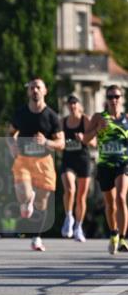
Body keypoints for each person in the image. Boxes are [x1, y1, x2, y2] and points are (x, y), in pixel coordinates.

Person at [7, 78, 64, 252]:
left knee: (42, 202)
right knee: (25, 195)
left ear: (45, 91)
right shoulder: (20, 113)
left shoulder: (52, 116)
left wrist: (46, 141)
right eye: (32, 88)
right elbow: (10, 134)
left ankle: (37, 237)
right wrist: (13, 146)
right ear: (28, 92)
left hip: (44, 162)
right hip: (24, 160)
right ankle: (27, 201)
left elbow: (61, 143)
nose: (35, 90)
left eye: (38, 87)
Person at [81, 85, 128, 255]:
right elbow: (85, 140)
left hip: (123, 163)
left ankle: (123, 238)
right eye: (110, 97)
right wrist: (96, 130)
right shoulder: (99, 117)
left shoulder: (126, 118)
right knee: (110, 204)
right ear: (106, 100)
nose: (114, 100)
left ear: (121, 98)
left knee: (121, 197)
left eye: (116, 96)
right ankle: (114, 233)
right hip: (105, 165)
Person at [60, 94, 94, 242]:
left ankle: (78, 227)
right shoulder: (63, 122)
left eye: (75, 103)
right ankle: (69, 217)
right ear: (67, 106)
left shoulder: (85, 120)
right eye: (70, 104)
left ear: (79, 106)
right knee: (69, 189)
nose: (72, 106)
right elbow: (58, 141)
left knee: (81, 197)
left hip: (83, 160)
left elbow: (94, 143)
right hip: (68, 160)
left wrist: (84, 138)